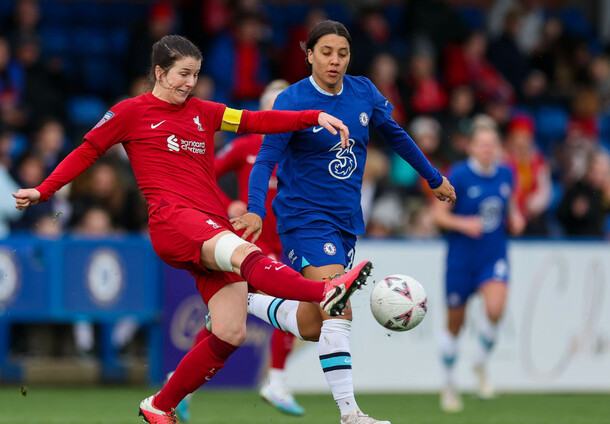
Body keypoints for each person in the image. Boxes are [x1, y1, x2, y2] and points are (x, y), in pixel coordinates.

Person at [11, 34, 372, 424]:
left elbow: (254, 121)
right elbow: (87, 150)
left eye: (195, 75)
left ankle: (159, 405)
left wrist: (311, 117)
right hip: (174, 220)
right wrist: (44, 190)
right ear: (159, 72)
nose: (190, 83)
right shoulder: (130, 112)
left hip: (209, 222)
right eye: (183, 74)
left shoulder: (205, 111)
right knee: (246, 254)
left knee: (230, 331)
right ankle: (326, 292)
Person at [233, 21, 456, 424]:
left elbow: (396, 135)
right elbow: (265, 159)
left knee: (312, 324)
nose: (334, 60)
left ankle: (240, 301)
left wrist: (432, 176)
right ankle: (350, 413)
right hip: (304, 217)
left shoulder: (363, 91)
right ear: (309, 55)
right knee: (338, 307)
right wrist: (255, 209)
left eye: (342, 53)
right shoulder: (291, 99)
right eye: (326, 52)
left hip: (345, 222)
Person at [177, 80, 304, 422]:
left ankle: (180, 385)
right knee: (288, 299)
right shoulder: (246, 145)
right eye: (273, 106)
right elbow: (203, 175)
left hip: (287, 241)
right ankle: (276, 381)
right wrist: (226, 204)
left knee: (226, 319)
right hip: (251, 241)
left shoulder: (299, 150)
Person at [432, 120, 525, 413]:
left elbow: (509, 206)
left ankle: (480, 364)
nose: (488, 149)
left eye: (492, 144)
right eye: (482, 144)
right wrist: (464, 223)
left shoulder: (506, 173)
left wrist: (516, 217)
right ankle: (449, 383)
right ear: (471, 146)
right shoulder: (458, 174)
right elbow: (438, 215)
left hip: (493, 255)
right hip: (461, 259)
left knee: (495, 309)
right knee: (454, 324)